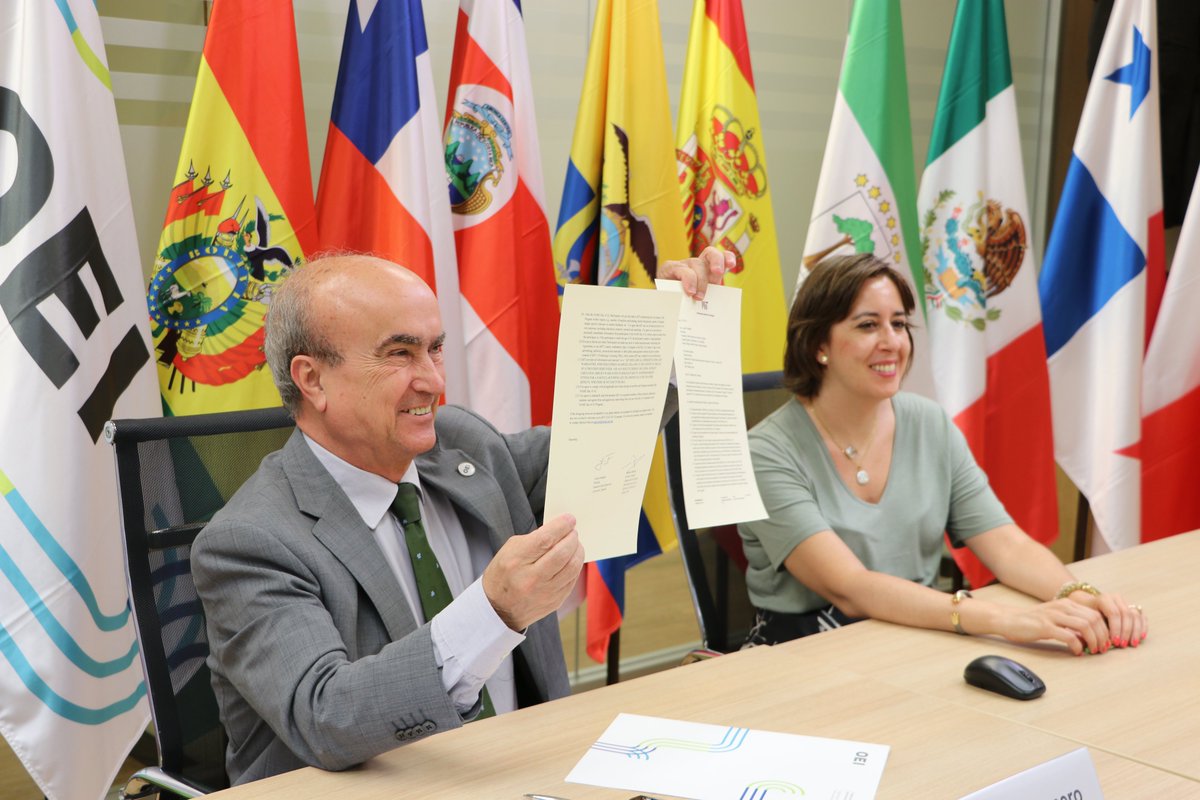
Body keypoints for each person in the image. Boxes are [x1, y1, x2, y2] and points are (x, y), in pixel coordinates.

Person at [192, 249, 728, 784]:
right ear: (312, 380)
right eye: (400, 354)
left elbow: (599, 444)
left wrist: (671, 337)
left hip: (525, 770)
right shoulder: (249, 542)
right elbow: (326, 714)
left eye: (436, 349)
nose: (431, 380)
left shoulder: (463, 445)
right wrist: (492, 612)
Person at [738, 253, 1148, 652]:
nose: (892, 342)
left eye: (899, 324)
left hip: (914, 635)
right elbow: (852, 587)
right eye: (868, 325)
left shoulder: (929, 422)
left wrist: (1077, 596)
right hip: (803, 653)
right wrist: (1006, 620)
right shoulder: (766, 453)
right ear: (817, 345)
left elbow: (1006, 545)